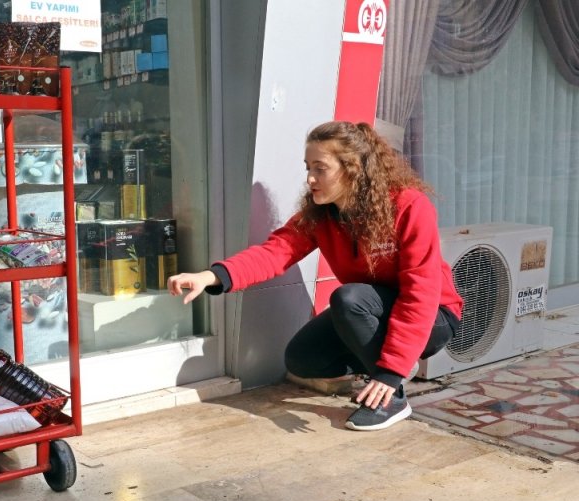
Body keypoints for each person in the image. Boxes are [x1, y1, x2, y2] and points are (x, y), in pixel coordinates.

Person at [167, 121, 463, 431]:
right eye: (308, 167)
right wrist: (213, 276)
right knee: (302, 359)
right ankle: (394, 358)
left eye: (320, 168)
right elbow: (275, 252)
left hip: (434, 317)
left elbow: (421, 292)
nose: (310, 178)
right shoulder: (320, 214)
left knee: (348, 299)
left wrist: (390, 371)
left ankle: (392, 397)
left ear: (352, 168)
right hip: (372, 311)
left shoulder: (408, 206)